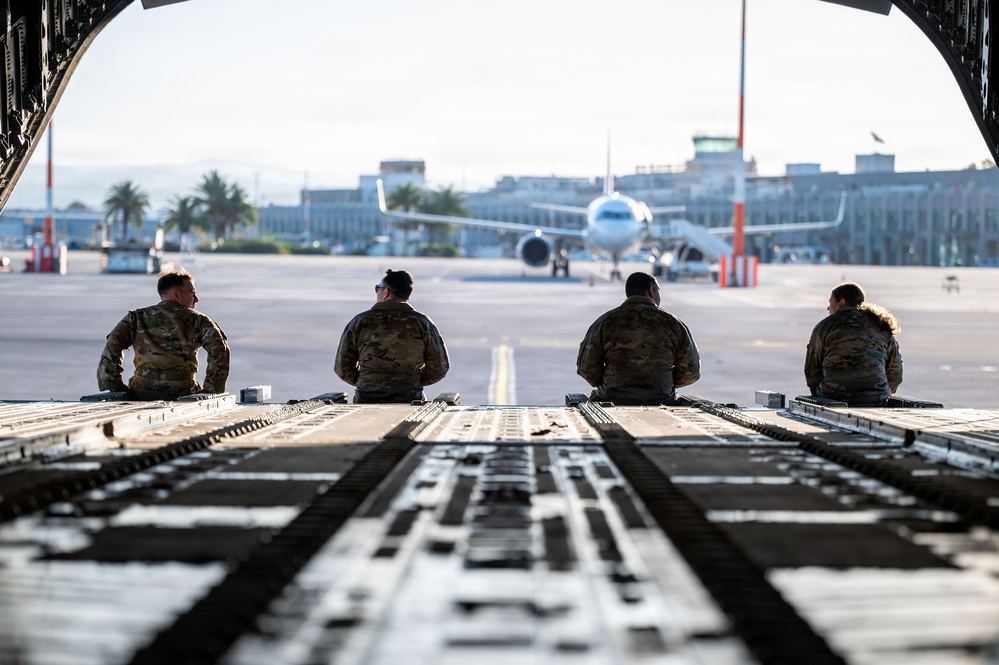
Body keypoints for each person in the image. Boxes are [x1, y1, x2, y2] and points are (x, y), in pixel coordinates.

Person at [97, 268, 230, 400]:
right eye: (192, 293)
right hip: (184, 394)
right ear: (176, 295)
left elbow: (112, 348)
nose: (196, 299)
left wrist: (115, 387)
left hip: (141, 393)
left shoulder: (136, 318)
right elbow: (219, 350)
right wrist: (211, 389)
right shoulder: (199, 321)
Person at [576, 271, 700, 405]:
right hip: (662, 399)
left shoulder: (606, 322)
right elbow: (690, 371)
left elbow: (586, 368)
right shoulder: (673, 324)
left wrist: (611, 384)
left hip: (612, 399)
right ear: (651, 291)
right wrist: (663, 385)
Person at [335, 269, 449, 403]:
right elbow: (440, 367)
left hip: (367, 399)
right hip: (410, 399)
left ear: (386, 292)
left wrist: (369, 384)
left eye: (378, 288)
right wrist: (411, 382)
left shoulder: (360, 321)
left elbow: (342, 367)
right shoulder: (423, 323)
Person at [804, 281, 902, 405]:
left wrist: (820, 395)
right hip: (876, 398)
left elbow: (812, 370)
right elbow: (895, 371)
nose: (828, 308)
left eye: (830, 302)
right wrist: (882, 393)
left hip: (833, 397)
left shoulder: (825, 326)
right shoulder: (880, 325)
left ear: (842, 302)